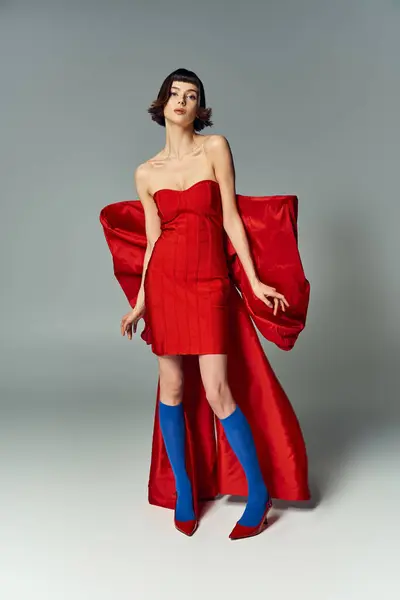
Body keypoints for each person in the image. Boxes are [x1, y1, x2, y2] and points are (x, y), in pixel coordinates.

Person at [100, 68, 311, 540]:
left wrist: (254, 282)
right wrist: (139, 304)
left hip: (210, 282)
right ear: (162, 104)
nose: (182, 100)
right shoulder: (145, 172)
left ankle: (259, 493)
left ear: (200, 108)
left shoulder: (215, 148)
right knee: (171, 388)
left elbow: (232, 219)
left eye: (191, 95)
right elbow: (153, 241)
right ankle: (184, 491)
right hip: (166, 286)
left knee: (218, 391)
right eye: (174, 93)